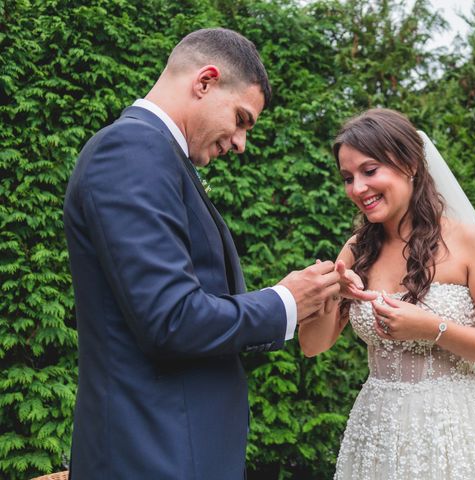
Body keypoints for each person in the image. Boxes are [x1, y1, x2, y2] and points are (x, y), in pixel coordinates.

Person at [63, 28, 344, 479]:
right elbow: (171, 320)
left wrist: (301, 306)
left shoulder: (157, 156)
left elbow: (187, 311)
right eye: (241, 119)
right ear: (205, 81)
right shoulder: (131, 151)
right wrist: (284, 300)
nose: (240, 142)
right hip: (152, 455)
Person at [298, 108, 475, 479]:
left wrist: (431, 328)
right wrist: (330, 293)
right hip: (377, 430)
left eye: (370, 171)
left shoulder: (469, 242)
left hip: (453, 429)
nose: (357, 188)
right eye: (347, 177)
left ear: (410, 165)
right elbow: (312, 345)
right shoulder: (357, 250)